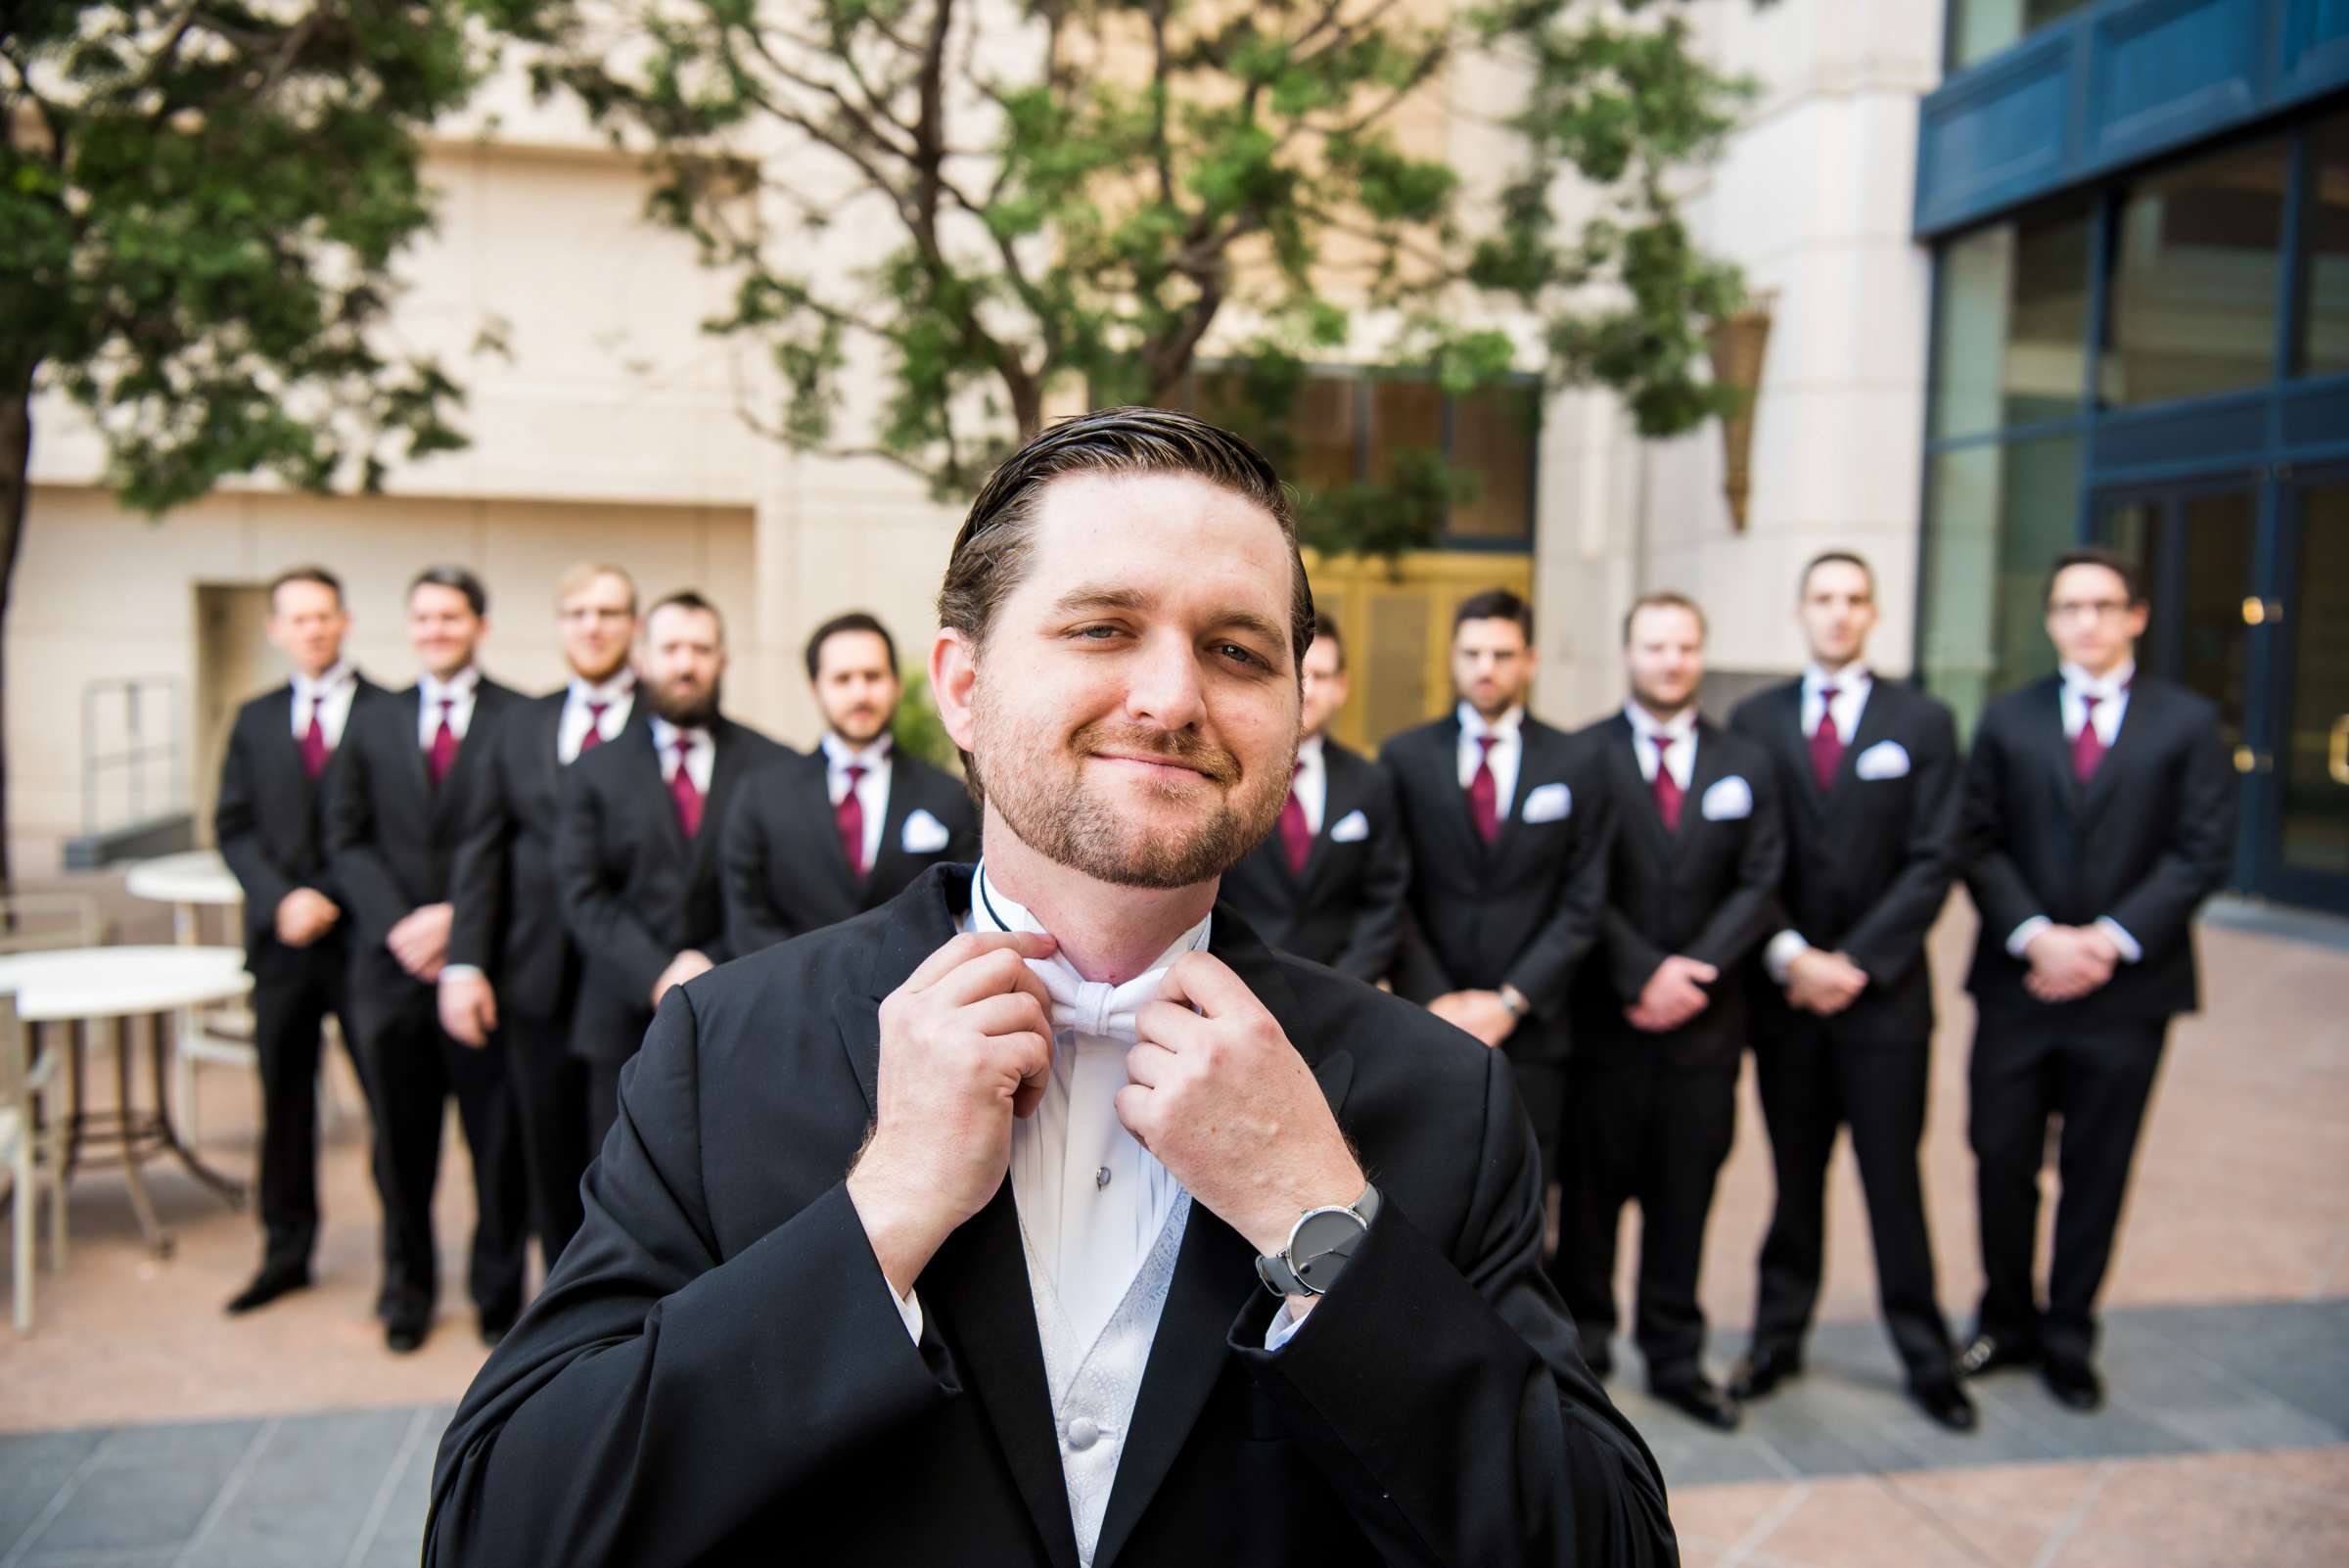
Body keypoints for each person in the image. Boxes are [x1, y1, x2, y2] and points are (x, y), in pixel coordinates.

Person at [427, 408, 1674, 1568]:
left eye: (1237, 651)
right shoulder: (722, 1051)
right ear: (962, 689)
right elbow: (498, 1527)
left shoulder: (1443, 1099)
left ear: (1295, 714)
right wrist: (883, 1214)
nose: (1173, 697)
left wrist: (1320, 1223)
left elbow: (1607, 1545)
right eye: (1101, 628)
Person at [1957, 546, 2234, 1412]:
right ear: (2050, 621)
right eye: (2071, 606)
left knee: (2096, 1167)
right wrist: (2037, 938)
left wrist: (2106, 943)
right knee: (2000, 1158)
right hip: (2017, 986)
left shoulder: (2187, 723)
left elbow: (2202, 851)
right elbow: (1977, 838)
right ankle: (2005, 1317)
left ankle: (2069, 1335)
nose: (2088, 622)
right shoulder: (2008, 718)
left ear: (2136, 617)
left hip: (2128, 995)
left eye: (2105, 605)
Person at [1725, 552, 1973, 1431]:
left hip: (1885, 1002)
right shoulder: (1754, 722)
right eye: (1823, 599)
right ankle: (1776, 1339)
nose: (1838, 613)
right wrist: (1791, 955)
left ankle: (1925, 1354)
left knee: (1891, 1181)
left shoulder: (1926, 722)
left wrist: (1854, 962)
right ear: (1801, 611)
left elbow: (1935, 857)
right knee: (1794, 1182)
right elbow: (1750, 859)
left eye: (1854, 600)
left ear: (1874, 613)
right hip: (1786, 999)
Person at [1563, 592, 1782, 1431]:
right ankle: (1585, 1354)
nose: (1670, 660)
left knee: (1685, 1197)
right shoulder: (1582, 757)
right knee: (1587, 1206)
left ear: (1701, 654)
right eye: (1655, 646)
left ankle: (1676, 1356)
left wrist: (1694, 973)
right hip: (1606, 1025)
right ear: (1629, 653)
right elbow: (1582, 882)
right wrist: (1640, 972)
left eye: (1685, 646)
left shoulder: (1746, 761)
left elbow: (1762, 879)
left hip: (1706, 1028)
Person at [327, 566, 530, 1353]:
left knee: (496, 1143)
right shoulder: (370, 721)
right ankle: (405, 1288)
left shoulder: (519, 719)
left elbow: (521, 842)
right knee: (398, 1146)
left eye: (451, 617)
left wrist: (458, 924)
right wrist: (404, 925)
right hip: (389, 972)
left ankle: (497, 1294)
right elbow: (345, 837)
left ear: (478, 625)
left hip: (484, 967)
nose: (435, 630)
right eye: (423, 618)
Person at [439, 563, 641, 1273]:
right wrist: (464, 960)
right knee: (543, 1151)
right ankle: (560, 1308)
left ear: (633, 626)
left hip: (628, 984)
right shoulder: (517, 725)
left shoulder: (667, 725)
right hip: (535, 980)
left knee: (628, 1159)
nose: (594, 626)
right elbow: (482, 848)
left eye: (609, 612)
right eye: (579, 612)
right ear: (560, 627)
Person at [1382, 589, 1614, 1195]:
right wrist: (1441, 998)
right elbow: (1391, 889)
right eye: (1473, 653)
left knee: (1528, 1198)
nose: (1486, 668)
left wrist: (1511, 1002)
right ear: (1454, 658)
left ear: (1530, 661)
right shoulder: (1404, 758)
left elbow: (1583, 902)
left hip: (1533, 1024)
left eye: (1502, 654)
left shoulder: (1578, 761)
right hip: (1431, 1015)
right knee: (1432, 1192)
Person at [213, 566, 385, 1315]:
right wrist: (282, 899)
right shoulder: (252, 719)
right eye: (298, 618)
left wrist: (333, 898)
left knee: (392, 1105)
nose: (313, 629)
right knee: (283, 1104)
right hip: (282, 946)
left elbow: (393, 833)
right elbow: (233, 825)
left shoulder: (389, 712)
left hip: (362, 945)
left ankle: (401, 1268)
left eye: (325, 615)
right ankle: (285, 1252)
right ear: (276, 631)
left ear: (345, 621)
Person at [555, 590, 783, 1151]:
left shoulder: (775, 767)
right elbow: (582, 893)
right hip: (619, 1018)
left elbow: (775, 890)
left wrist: (713, 965)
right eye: (672, 648)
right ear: (642, 660)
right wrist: (658, 971)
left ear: (723, 660)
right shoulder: (592, 771)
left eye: (701, 649)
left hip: (737, 1015)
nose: (686, 664)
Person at [721, 610, 976, 955]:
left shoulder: (950, 796)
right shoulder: (761, 795)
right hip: (793, 996)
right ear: (815, 689)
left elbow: (963, 911)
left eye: (872, 676)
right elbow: (746, 914)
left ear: (896, 684)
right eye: (842, 679)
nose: (860, 694)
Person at [1218, 611, 1409, 983]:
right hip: (1237, 983)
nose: (1308, 687)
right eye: (1298, 671)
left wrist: (1347, 983)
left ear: (1342, 687)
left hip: (1341, 989)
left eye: (1321, 676)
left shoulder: (1372, 783)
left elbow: (1385, 899)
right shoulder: (1225, 774)